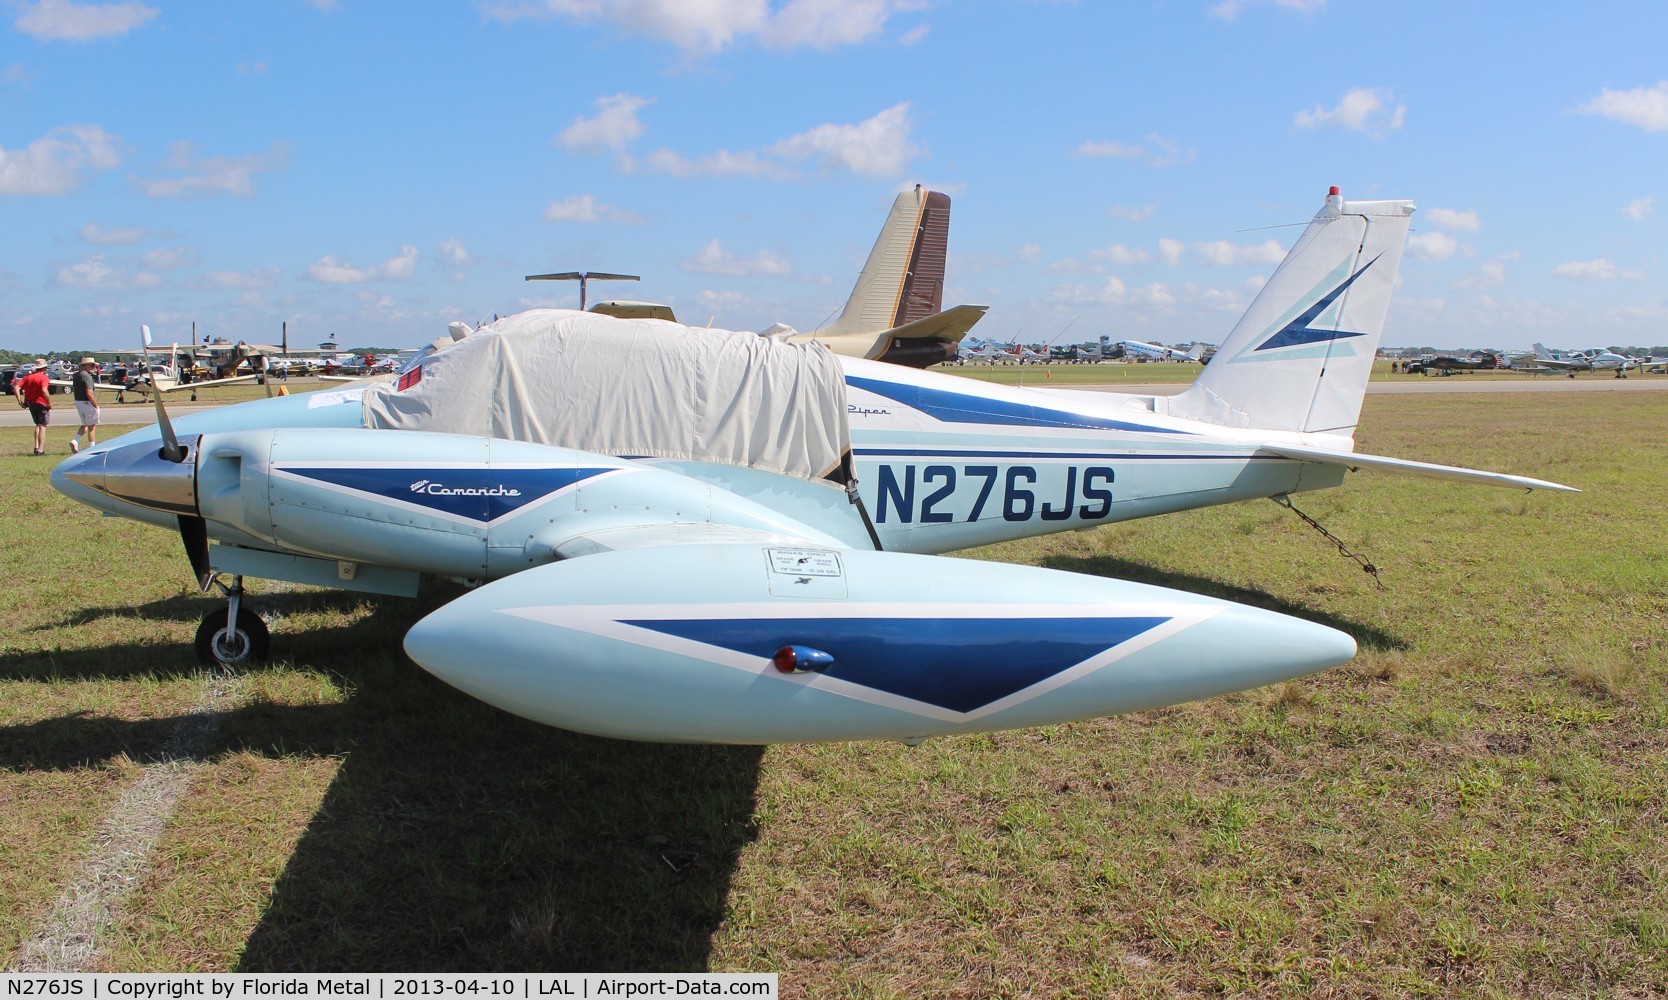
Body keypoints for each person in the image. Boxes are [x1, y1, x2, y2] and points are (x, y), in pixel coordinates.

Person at [16, 358, 52, 456]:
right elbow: (44, 390)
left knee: (37, 424)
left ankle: (36, 447)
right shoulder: (44, 378)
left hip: (31, 403)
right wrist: (49, 402)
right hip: (41, 403)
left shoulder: (28, 377)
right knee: (42, 426)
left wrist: (20, 401)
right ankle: (40, 450)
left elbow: (16, 387)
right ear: (44, 368)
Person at [70, 357, 101, 454]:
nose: (94, 367)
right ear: (84, 366)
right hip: (87, 402)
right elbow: (89, 392)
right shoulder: (87, 376)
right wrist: (95, 405)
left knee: (85, 424)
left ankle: (75, 440)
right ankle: (92, 447)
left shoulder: (77, 375)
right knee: (92, 426)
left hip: (79, 402)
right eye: (91, 365)